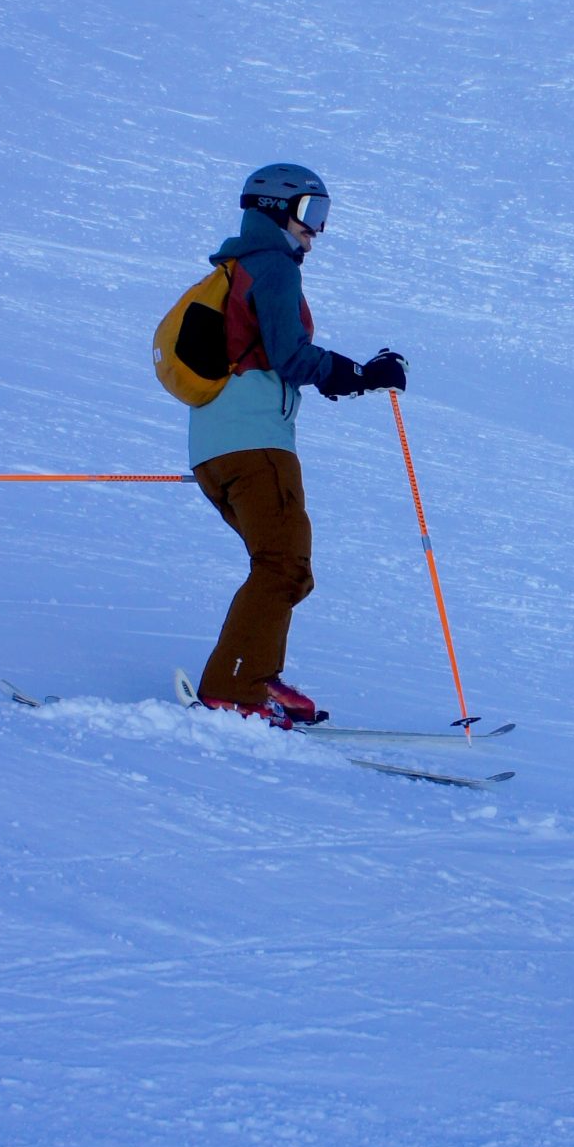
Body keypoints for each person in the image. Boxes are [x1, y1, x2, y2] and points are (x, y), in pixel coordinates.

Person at [188, 163, 407, 727]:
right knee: (283, 563)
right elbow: (289, 355)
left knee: (288, 567)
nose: (318, 229)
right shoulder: (273, 268)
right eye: (311, 213)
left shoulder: (237, 269)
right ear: (272, 208)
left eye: (324, 216)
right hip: (256, 443)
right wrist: (357, 373)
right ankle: (235, 687)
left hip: (217, 446)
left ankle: (255, 674)